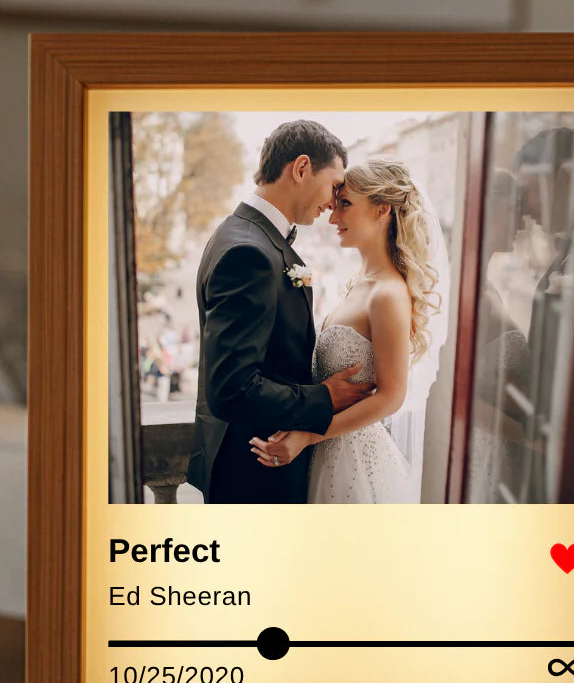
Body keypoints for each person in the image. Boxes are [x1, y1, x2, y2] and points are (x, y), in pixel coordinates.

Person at [187, 121, 375, 504]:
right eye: (334, 185)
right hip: (254, 473)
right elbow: (231, 388)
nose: (333, 202)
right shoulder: (249, 253)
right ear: (302, 168)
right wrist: (323, 397)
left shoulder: (242, 233)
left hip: (250, 464)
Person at [250, 158, 445, 503]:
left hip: (353, 460)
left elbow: (391, 396)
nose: (333, 217)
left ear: (382, 209)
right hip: (327, 452)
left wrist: (309, 436)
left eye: (345, 204)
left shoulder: (387, 294)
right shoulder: (359, 283)